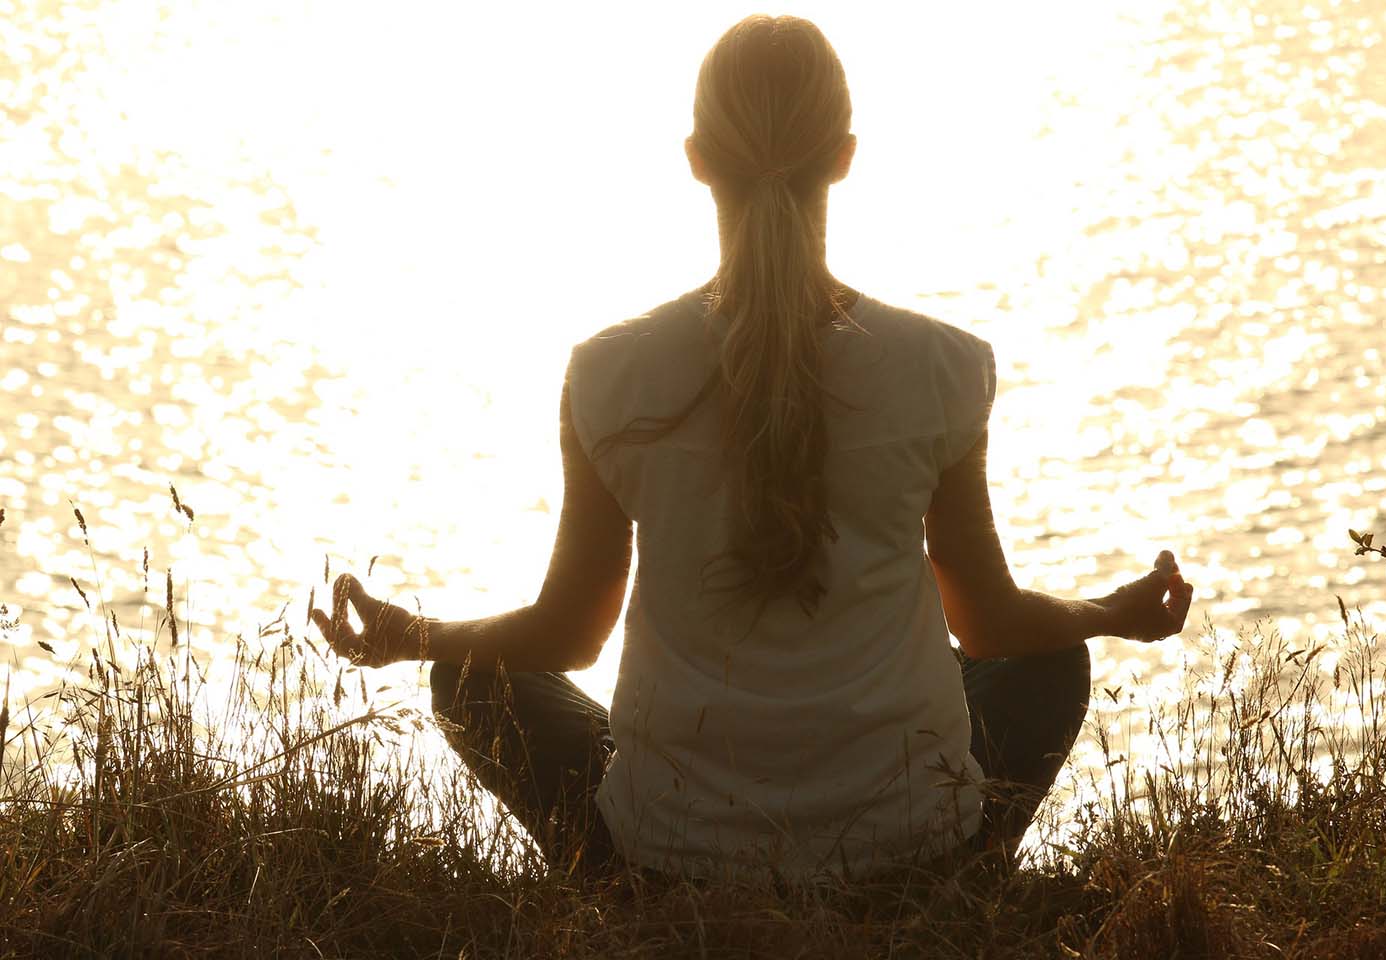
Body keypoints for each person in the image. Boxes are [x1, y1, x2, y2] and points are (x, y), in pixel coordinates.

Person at [311, 14, 1192, 883]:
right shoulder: (943, 367)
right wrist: (1108, 614)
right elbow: (989, 622)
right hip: (906, 840)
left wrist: (411, 635)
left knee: (471, 681)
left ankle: (624, 887)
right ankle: (946, 873)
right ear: (845, 155)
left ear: (696, 158)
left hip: (671, 851)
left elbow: (568, 635)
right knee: (1048, 657)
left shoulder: (609, 373)